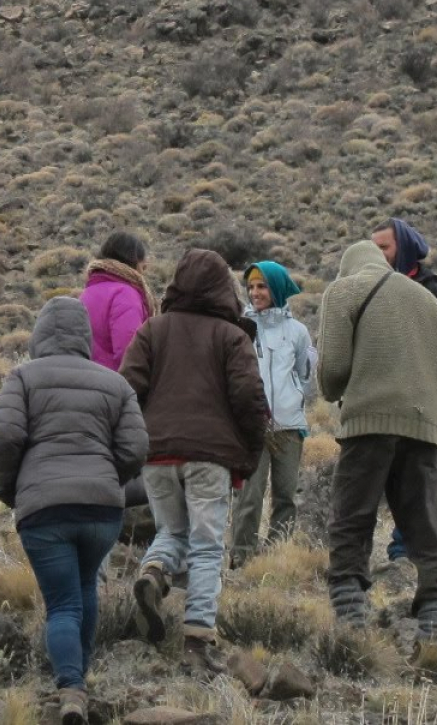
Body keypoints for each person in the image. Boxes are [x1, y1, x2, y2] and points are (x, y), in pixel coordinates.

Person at [0, 298, 148, 725]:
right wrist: (105, 476)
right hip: (101, 511)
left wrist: (9, 489)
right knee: (83, 590)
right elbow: (136, 448)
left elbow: (4, 435)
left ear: (39, 334)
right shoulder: (113, 383)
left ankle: (70, 687)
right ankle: (80, 675)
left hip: (44, 509)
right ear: (85, 336)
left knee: (62, 602)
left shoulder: (23, 376)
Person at [318, 241, 437, 655]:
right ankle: (436, 621)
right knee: (429, 528)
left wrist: (337, 388)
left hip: (368, 425)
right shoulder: (426, 299)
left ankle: (352, 617)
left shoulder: (344, 291)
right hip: (427, 430)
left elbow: (332, 373)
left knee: (352, 518)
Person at [121, 248, 269, 670]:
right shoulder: (232, 336)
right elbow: (249, 399)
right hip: (210, 457)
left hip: (158, 452)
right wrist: (248, 453)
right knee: (206, 546)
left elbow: (128, 389)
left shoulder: (152, 330)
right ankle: (198, 641)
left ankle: (153, 573)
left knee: (171, 530)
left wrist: (138, 443)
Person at [370, 217, 437, 563]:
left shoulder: (431, 290)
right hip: (381, 405)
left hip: (422, 407)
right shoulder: (369, 288)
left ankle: (406, 554)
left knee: (416, 483)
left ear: (402, 248)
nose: (378, 255)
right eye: (373, 248)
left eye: (384, 247)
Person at [229, 261, 315, 564]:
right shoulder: (239, 328)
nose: (254, 293)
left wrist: (293, 402)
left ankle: (278, 557)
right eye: (251, 287)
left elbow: (307, 374)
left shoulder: (298, 332)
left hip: (289, 427)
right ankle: (241, 557)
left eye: (262, 286)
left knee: (286, 496)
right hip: (251, 427)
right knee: (249, 497)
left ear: (276, 289)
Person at [79, 231, 157, 372]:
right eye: (143, 267)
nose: (143, 274)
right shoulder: (125, 294)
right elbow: (129, 352)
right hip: (114, 384)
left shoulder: (87, 292)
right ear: (133, 261)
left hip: (86, 379)